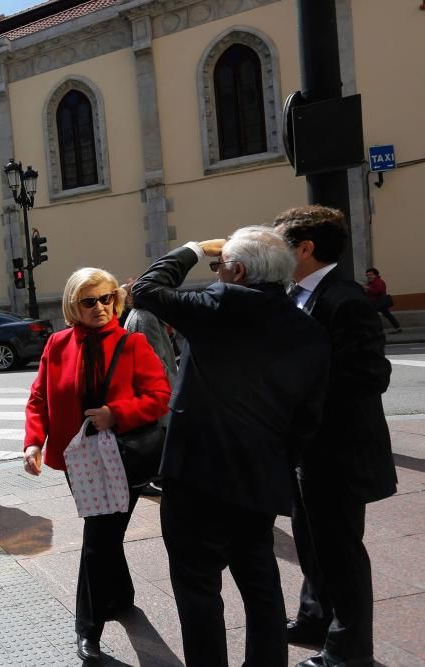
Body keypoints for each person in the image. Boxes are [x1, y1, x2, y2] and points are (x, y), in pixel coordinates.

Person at [132, 226, 330, 667]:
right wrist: (278, 460)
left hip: (195, 477)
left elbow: (146, 289)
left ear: (237, 269)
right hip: (261, 478)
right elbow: (308, 419)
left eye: (219, 266)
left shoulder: (219, 303)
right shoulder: (308, 328)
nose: (217, 272)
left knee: (197, 589)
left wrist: (192, 248)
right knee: (261, 584)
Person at [24, 267, 171, 663]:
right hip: (80, 459)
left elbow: (159, 397)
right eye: (90, 301)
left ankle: (87, 630)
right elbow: (39, 397)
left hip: (125, 458)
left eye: (108, 298)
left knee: (97, 541)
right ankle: (121, 598)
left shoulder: (134, 344)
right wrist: (34, 441)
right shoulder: (57, 344)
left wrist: (116, 413)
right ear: (74, 305)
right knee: (104, 531)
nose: (101, 307)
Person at [275, 207, 397, 667]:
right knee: (310, 540)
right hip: (306, 449)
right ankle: (314, 618)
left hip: (338, 452)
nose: (275, 252)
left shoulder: (346, 299)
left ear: (305, 248)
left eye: (281, 243)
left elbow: (370, 375)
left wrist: (303, 394)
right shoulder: (297, 295)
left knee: (341, 551)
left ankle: (349, 650)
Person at [121, 279, 178, 497]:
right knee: (156, 437)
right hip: (157, 392)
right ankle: (152, 478)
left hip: (151, 390)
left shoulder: (143, 315)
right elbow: (157, 361)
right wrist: (173, 392)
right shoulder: (146, 318)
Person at [364, 267, 401, 333]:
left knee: (372, 315)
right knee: (387, 314)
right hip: (376, 302)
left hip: (378, 302)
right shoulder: (371, 283)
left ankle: (377, 330)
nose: (369, 276)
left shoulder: (378, 281)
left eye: (371, 275)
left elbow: (379, 290)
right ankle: (397, 327)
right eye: (367, 275)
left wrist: (368, 288)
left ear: (376, 275)